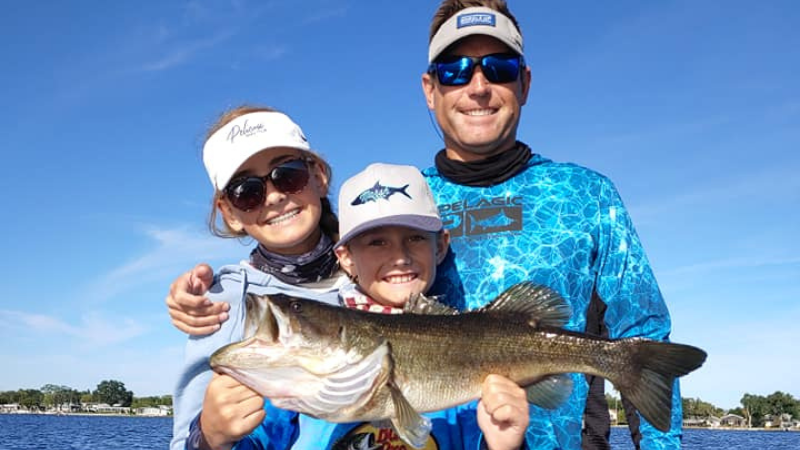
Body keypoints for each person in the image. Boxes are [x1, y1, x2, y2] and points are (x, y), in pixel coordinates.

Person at [170, 1, 682, 449]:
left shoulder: (588, 195)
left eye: (498, 67)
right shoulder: (404, 192)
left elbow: (643, 333)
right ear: (430, 89)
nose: (478, 86)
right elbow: (302, 248)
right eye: (456, 70)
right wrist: (208, 291)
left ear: (524, 82)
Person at [188, 163, 530, 450]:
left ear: (440, 246)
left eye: (414, 238)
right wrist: (210, 437)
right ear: (345, 257)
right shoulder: (287, 383)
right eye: (376, 242)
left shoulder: (473, 377)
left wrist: (504, 445)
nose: (399, 257)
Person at [168, 105, 351, 450]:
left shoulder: (385, 269)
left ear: (319, 176)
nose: (275, 196)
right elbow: (184, 442)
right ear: (229, 213)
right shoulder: (222, 304)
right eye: (247, 190)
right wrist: (208, 436)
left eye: (288, 173)